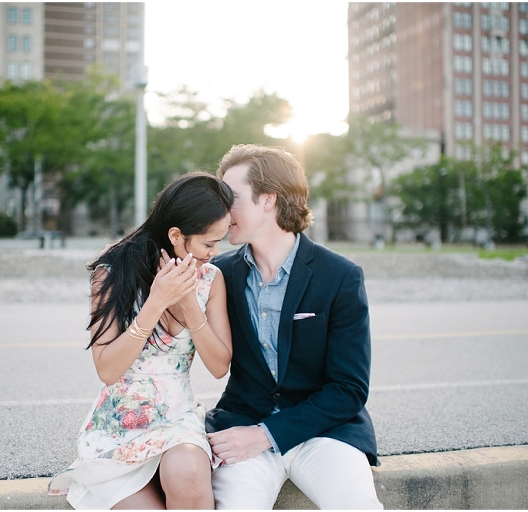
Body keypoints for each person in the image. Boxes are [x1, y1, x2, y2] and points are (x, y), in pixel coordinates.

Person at [206, 144, 383, 509]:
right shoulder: (219, 274)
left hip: (326, 433)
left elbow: (349, 388)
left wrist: (266, 435)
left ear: (268, 200)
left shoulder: (340, 276)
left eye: (232, 198)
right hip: (241, 427)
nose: (221, 211)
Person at [49, 171, 234, 510]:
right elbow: (107, 369)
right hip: (120, 424)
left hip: (178, 418)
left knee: (190, 474)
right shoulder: (114, 270)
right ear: (177, 236)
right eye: (209, 243)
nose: (215, 252)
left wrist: (190, 307)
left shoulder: (210, 278)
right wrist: (156, 302)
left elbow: (220, 366)